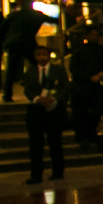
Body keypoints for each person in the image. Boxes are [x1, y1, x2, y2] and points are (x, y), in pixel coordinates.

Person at [21, 44, 68, 185]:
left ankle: (58, 172)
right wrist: (37, 99)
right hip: (36, 110)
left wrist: (54, 99)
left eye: (44, 54)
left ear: (49, 56)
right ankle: (36, 174)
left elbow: (65, 86)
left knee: (55, 141)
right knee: (35, 143)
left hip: (54, 109)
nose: (41, 57)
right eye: (38, 55)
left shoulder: (58, 70)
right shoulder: (30, 71)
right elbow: (27, 89)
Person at [67, 27, 103, 148]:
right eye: (92, 35)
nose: (94, 37)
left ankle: (89, 133)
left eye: (96, 35)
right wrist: (89, 77)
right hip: (81, 85)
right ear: (87, 36)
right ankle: (82, 137)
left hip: (96, 85)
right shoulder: (79, 50)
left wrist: (102, 73)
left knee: (98, 109)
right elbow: (73, 68)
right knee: (80, 112)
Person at [0, 0, 46, 101]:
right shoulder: (37, 15)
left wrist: (5, 42)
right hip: (28, 43)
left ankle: (7, 95)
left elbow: (1, 31)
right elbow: (53, 20)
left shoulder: (13, 16)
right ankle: (40, 90)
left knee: (10, 70)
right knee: (38, 66)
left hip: (14, 44)